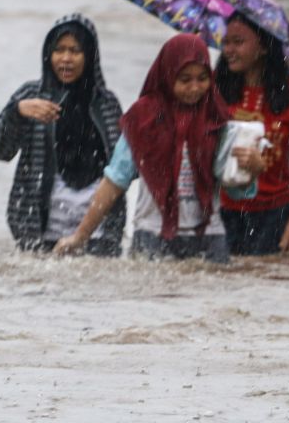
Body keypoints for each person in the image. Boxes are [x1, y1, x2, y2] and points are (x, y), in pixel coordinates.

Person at [53, 34, 263, 262]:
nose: (195, 88)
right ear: (167, 76)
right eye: (184, 79)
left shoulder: (216, 117)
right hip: (153, 235)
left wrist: (252, 169)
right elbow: (114, 182)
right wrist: (81, 236)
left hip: (209, 237)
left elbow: (235, 188)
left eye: (202, 78)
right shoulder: (143, 121)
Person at [0, 14, 125, 255]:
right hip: (40, 228)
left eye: (75, 50)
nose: (66, 58)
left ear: (90, 55)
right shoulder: (30, 94)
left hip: (98, 229)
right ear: (48, 54)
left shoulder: (107, 104)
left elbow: (123, 168)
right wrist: (17, 112)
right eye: (59, 50)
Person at [215, 13, 289, 256]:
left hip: (274, 216)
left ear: (263, 46)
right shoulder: (214, 89)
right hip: (217, 213)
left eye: (238, 42)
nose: (229, 50)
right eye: (226, 42)